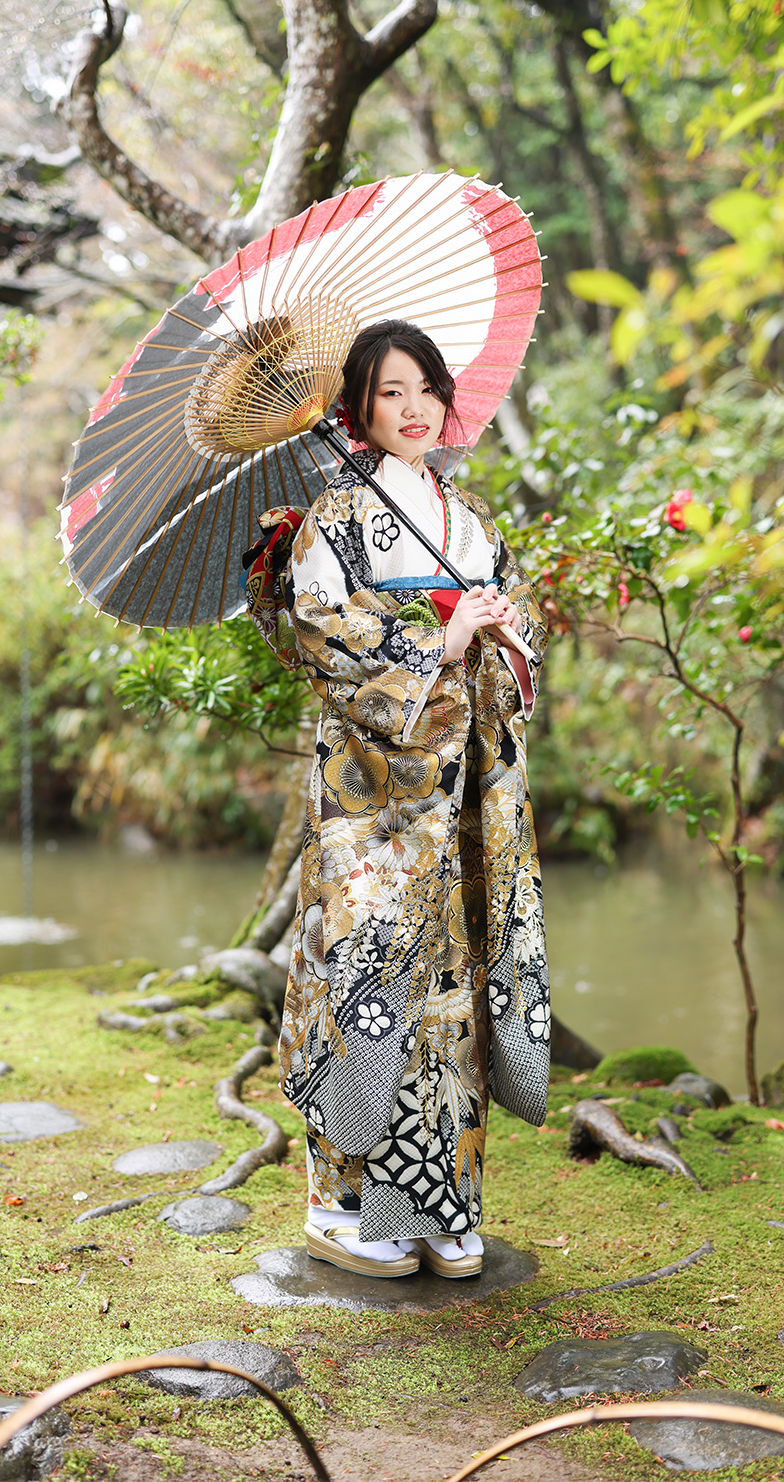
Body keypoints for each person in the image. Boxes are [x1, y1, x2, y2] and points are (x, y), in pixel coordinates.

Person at [258, 319, 551, 1279]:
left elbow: (520, 630)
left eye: (426, 387)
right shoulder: (334, 519)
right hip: (375, 803)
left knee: (451, 983)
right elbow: (323, 634)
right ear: (358, 408)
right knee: (369, 976)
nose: (414, 407)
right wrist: (441, 641)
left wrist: (503, 633)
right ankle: (342, 1202)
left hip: (464, 794)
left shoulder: (465, 515)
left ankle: (440, 1199)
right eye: (390, 391)